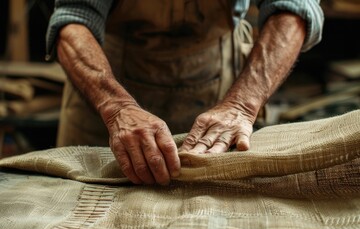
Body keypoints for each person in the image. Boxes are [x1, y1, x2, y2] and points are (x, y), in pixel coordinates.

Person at [46, 0, 324, 185]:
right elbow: (74, 20)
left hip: (217, 79)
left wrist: (241, 105)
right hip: (104, 84)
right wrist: (116, 108)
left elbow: (294, 9)